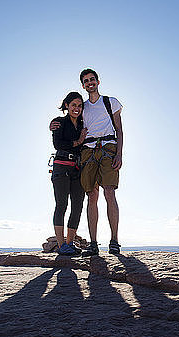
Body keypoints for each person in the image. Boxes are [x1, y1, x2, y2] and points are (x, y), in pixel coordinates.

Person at [51, 69, 124, 256]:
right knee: (91, 195)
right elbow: (69, 121)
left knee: (109, 192)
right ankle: (93, 244)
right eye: (86, 81)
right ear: (83, 85)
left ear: (98, 82)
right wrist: (54, 123)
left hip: (108, 149)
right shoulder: (82, 107)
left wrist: (119, 154)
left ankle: (114, 241)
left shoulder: (111, 102)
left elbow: (119, 130)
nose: (90, 82)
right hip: (87, 152)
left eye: (92, 79)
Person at [50, 92, 87, 256]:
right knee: (62, 205)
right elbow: (57, 144)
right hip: (61, 167)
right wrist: (78, 142)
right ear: (66, 105)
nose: (77, 108)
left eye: (79, 105)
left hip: (77, 169)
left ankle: (70, 243)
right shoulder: (59, 122)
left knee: (78, 206)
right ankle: (61, 245)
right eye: (73, 105)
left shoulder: (82, 124)